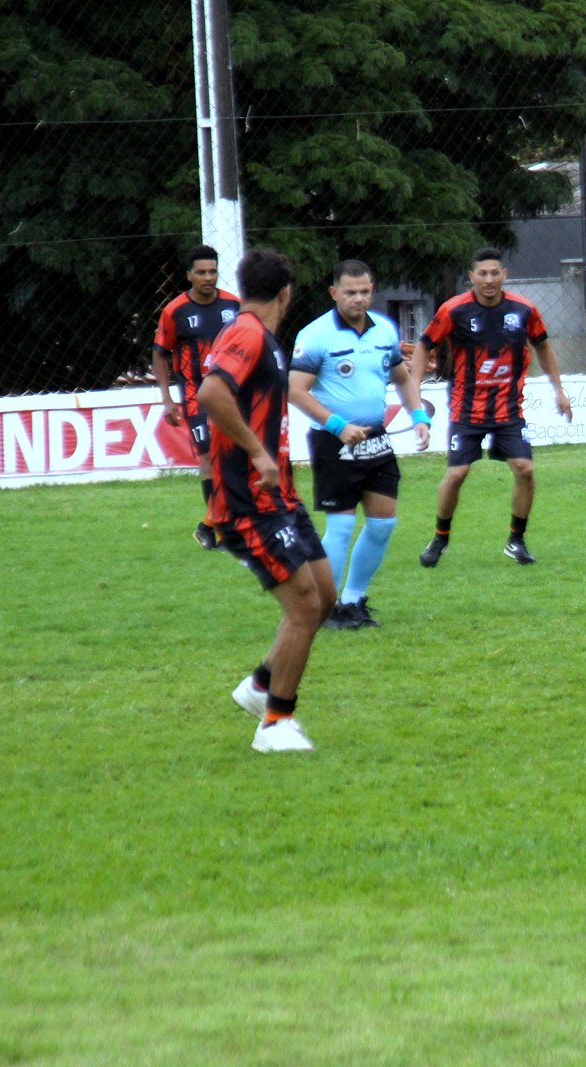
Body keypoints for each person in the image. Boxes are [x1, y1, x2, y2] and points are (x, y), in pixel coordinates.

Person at [197, 249, 335, 754]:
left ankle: (259, 687)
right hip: (247, 501)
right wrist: (257, 454)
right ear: (286, 293)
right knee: (304, 605)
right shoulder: (248, 333)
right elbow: (212, 393)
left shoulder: (266, 339)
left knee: (324, 596)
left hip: (280, 498)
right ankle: (276, 723)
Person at [289, 260, 431, 630]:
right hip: (333, 442)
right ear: (334, 292)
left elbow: (402, 378)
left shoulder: (383, 329)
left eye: (365, 291)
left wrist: (419, 417)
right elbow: (295, 390)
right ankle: (327, 605)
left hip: (376, 440)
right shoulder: (316, 335)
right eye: (351, 292)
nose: (359, 298)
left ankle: (353, 599)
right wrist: (337, 425)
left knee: (383, 524)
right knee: (340, 527)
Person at [413, 248, 572, 568]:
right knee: (457, 474)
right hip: (466, 410)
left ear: (504, 275)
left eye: (494, 273)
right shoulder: (454, 310)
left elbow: (543, 345)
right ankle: (440, 538)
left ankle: (516, 540)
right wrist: (414, 393)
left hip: (509, 410)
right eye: (482, 274)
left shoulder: (524, 310)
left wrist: (559, 390)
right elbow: (424, 345)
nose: (488, 279)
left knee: (525, 470)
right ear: (471, 277)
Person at [152, 245, 241, 549]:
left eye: (212, 271)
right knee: (209, 462)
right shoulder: (174, 311)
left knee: (234, 462)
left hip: (231, 397)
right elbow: (160, 354)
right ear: (189, 275)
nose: (207, 277)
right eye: (201, 272)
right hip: (195, 398)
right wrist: (166, 399)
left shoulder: (234, 306)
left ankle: (208, 525)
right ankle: (219, 531)